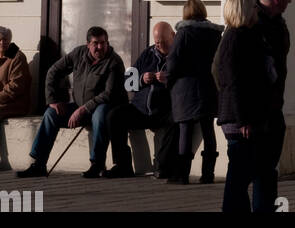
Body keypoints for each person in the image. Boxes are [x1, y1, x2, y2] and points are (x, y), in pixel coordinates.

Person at [17, 26, 125, 178]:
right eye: (96, 43)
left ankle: (97, 164)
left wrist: (82, 110)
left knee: (100, 115)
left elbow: (108, 94)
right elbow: (53, 72)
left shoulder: (114, 62)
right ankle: (38, 164)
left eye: (103, 43)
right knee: (50, 113)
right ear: (88, 44)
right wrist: (52, 100)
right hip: (78, 105)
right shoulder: (78, 53)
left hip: (102, 107)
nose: (100, 47)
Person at [213, 0, 278, 213]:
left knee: (249, 172)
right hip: (240, 119)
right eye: (252, 7)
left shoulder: (246, 35)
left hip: (246, 116)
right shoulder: (236, 38)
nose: (256, 11)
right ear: (242, 10)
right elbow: (234, 82)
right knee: (239, 177)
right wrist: (244, 120)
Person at [106, 22, 178, 178]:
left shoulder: (180, 55)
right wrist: (141, 79)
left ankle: (163, 167)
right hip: (141, 109)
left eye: (164, 43)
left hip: (164, 110)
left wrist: (169, 80)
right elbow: (128, 82)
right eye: (157, 43)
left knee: (177, 120)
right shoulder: (148, 53)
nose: (160, 46)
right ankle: (122, 165)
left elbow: (188, 83)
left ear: (173, 36)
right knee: (115, 116)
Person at [163, 0, 222, 183]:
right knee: (208, 130)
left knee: (185, 129)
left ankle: (182, 174)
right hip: (208, 85)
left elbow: (172, 61)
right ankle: (208, 174)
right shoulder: (215, 34)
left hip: (185, 87)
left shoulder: (184, 32)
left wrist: (169, 80)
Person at [253, 0, 292, 212]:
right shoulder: (252, 23)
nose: (290, 1)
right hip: (256, 109)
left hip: (273, 105)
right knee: (250, 170)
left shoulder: (278, 22)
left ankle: (265, 207)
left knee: (267, 168)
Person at [0, 26, 32, 122]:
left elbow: (16, 86)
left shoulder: (17, 57)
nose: (2, 42)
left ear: (10, 40)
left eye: (5, 39)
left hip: (15, 103)